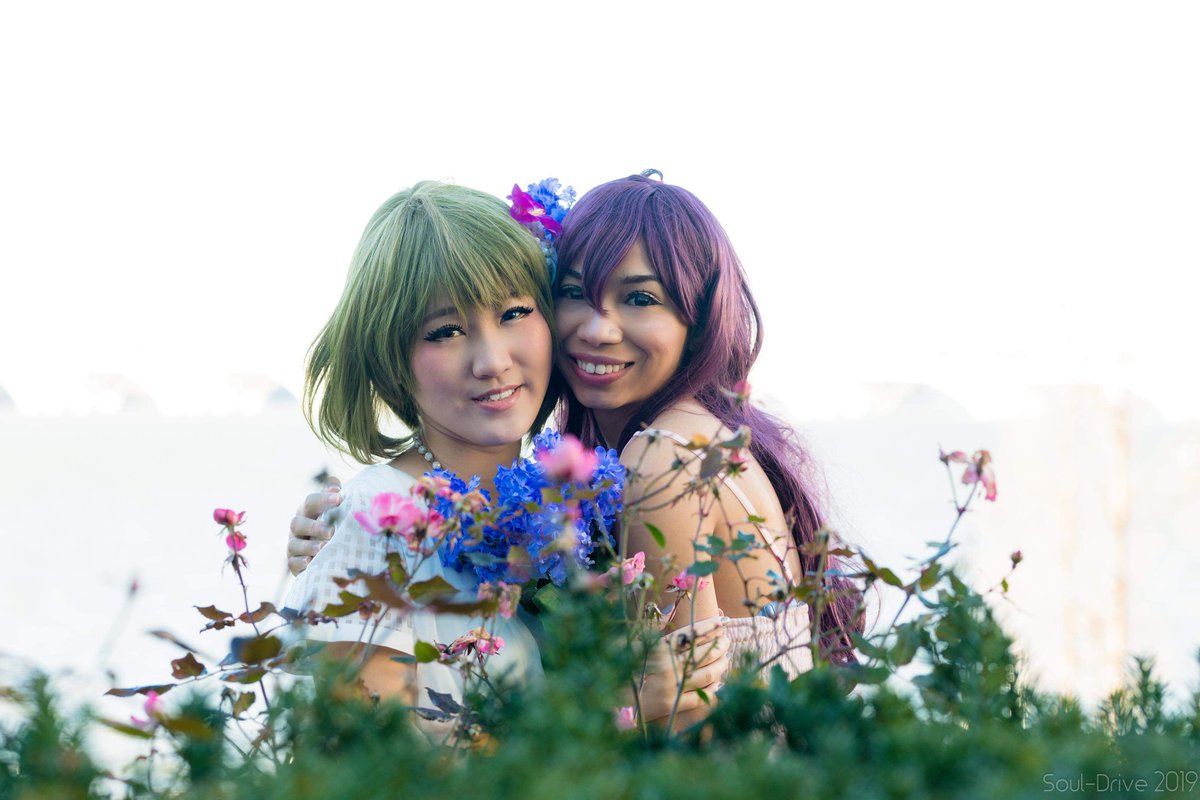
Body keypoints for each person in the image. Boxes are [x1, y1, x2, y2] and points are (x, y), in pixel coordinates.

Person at [283, 179, 727, 721]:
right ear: (389, 360)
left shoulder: (558, 517)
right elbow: (374, 761)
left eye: (514, 313)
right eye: (445, 331)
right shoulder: (375, 525)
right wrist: (614, 717)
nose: (492, 361)